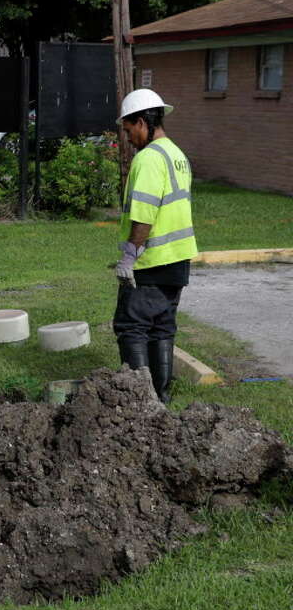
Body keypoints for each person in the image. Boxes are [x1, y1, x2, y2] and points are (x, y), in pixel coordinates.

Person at [113, 88, 198, 404]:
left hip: (151, 262)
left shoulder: (148, 159)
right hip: (177, 262)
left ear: (141, 121)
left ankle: (140, 403)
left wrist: (129, 256)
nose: (128, 138)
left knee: (131, 327)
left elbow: (144, 214)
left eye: (129, 130)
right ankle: (160, 399)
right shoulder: (176, 154)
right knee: (162, 328)